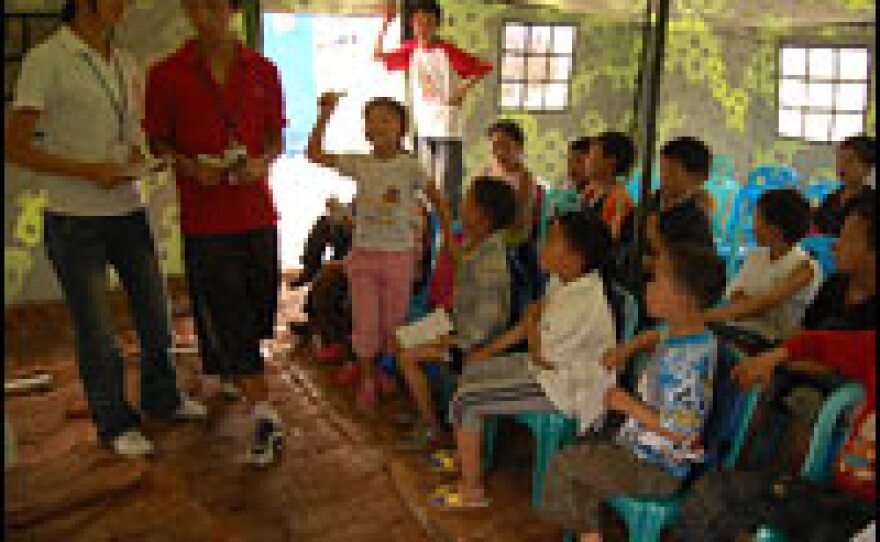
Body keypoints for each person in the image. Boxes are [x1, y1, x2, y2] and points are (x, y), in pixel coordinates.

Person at [5, 0, 207, 458]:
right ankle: (114, 423)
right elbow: (15, 147)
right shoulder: (47, 59)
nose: (125, 5)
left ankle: (163, 398)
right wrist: (87, 171)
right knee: (96, 329)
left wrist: (143, 159)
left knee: (156, 314)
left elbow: (129, 135)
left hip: (129, 208)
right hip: (74, 217)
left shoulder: (125, 61)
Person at [144, 0, 284, 466]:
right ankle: (264, 414)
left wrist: (262, 162)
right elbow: (157, 141)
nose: (206, 13)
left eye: (215, 4)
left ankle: (229, 366)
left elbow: (276, 136)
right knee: (229, 311)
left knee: (260, 308)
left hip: (257, 210)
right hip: (205, 217)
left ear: (233, 8)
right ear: (187, 10)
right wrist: (189, 166)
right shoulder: (167, 73)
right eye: (196, 4)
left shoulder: (263, 70)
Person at [538, 242, 727, 541]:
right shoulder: (686, 332)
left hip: (657, 469)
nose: (647, 287)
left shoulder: (689, 364)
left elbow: (684, 430)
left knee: (564, 467)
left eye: (656, 280)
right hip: (640, 447)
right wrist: (629, 347)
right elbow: (656, 335)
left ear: (682, 299)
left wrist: (627, 404)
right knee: (580, 456)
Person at [428, 212, 617, 510]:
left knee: (467, 400)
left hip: (564, 388)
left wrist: (530, 321)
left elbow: (541, 355)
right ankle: (471, 456)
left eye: (552, 240)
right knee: (473, 370)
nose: (543, 245)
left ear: (575, 258)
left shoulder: (583, 303)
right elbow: (531, 324)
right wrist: (487, 352)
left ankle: (472, 490)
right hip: (548, 369)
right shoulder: (564, 280)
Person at [307, 92, 453, 411]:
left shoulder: (410, 167)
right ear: (366, 130)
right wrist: (324, 114)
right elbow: (314, 154)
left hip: (399, 259)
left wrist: (450, 244)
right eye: (371, 120)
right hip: (364, 257)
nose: (378, 126)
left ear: (402, 128)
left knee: (393, 325)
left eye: (387, 119)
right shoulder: (361, 164)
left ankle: (385, 371)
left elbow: (439, 200)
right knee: (365, 324)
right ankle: (368, 378)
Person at [673, 329, 875, 541]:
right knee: (717, 490)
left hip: (861, 520)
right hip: (834, 499)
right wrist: (769, 359)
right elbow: (818, 343)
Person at [395, 177, 517, 451]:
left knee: (407, 356)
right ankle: (427, 406)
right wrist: (444, 215)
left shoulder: (491, 265)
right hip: (458, 323)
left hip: (474, 346)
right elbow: (456, 255)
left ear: (483, 217)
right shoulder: (480, 242)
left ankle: (433, 428)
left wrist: (448, 340)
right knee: (400, 339)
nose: (462, 204)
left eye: (468, 202)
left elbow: (484, 329)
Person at [374, 0, 493, 216]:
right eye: (418, 22)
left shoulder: (447, 51)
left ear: (437, 24)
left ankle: (447, 232)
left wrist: (463, 89)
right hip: (423, 129)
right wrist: (385, 23)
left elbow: (485, 67)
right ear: (412, 24)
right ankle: (426, 231)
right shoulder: (411, 50)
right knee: (422, 186)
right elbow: (378, 56)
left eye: (428, 22)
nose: (422, 27)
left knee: (447, 190)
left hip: (447, 129)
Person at [705, 189, 822, 343]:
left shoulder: (806, 268)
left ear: (774, 229)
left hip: (773, 342)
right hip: (740, 331)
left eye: (757, 219)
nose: (753, 227)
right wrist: (749, 307)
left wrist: (704, 317)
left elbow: (762, 304)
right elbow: (735, 296)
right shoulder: (756, 256)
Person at [803, 197, 875, 331]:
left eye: (848, 239)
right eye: (841, 236)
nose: (835, 246)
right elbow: (805, 329)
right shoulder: (834, 283)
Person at [813, 135, 875, 236]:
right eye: (840, 158)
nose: (842, 165)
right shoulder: (832, 198)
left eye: (850, 160)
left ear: (867, 168)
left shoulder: (870, 202)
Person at [580, 132, 636, 241]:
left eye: (591, 155)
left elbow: (609, 240)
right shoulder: (590, 191)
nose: (586, 161)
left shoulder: (619, 200)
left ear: (611, 161)